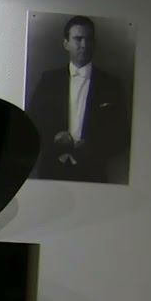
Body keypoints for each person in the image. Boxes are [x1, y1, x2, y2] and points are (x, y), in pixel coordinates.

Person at [26, 15, 131, 183]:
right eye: (78, 39)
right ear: (66, 43)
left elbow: (122, 134)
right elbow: (31, 123)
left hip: (93, 173)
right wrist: (53, 139)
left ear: (94, 43)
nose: (84, 45)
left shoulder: (111, 85)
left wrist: (92, 147)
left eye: (88, 39)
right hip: (51, 170)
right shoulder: (49, 80)